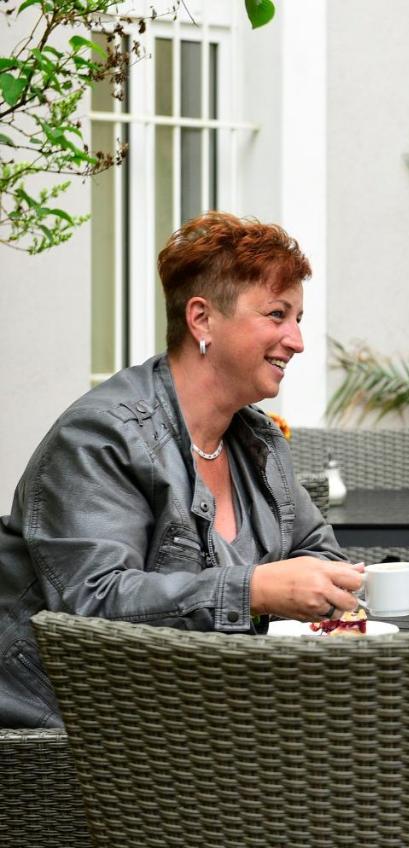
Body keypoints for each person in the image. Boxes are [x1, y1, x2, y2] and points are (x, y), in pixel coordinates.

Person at [0, 211, 364, 728]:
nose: (297, 341)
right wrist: (254, 590)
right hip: (73, 735)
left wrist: (325, 584)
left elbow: (315, 551)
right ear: (202, 320)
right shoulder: (102, 437)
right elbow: (92, 605)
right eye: (277, 315)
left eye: (298, 320)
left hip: (195, 718)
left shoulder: (254, 439)